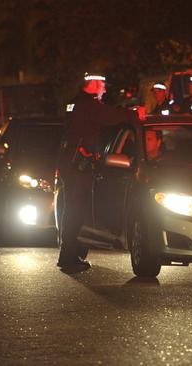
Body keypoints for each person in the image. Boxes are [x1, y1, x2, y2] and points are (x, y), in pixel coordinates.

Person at [57, 72, 137, 271]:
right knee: (75, 210)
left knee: (73, 210)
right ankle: (68, 257)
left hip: (71, 162)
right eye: (101, 84)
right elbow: (110, 115)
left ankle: (70, 253)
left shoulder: (76, 103)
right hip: (77, 164)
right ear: (92, 84)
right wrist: (135, 114)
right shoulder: (88, 105)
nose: (104, 88)